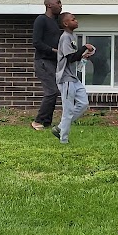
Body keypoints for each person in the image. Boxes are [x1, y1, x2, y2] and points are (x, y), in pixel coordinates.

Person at [52, 12, 94, 144]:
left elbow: (72, 57)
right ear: (66, 23)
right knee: (68, 110)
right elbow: (70, 57)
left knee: (83, 104)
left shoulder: (71, 36)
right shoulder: (65, 37)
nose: (76, 21)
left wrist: (82, 56)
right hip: (65, 78)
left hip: (73, 78)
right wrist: (84, 48)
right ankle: (63, 140)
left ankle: (60, 127)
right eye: (73, 19)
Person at [31, 0, 63, 131]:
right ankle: (38, 121)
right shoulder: (41, 20)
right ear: (49, 5)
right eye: (58, 3)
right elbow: (36, 42)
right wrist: (53, 51)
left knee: (54, 92)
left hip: (52, 62)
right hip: (43, 61)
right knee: (52, 91)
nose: (61, 5)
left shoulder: (55, 22)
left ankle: (46, 122)